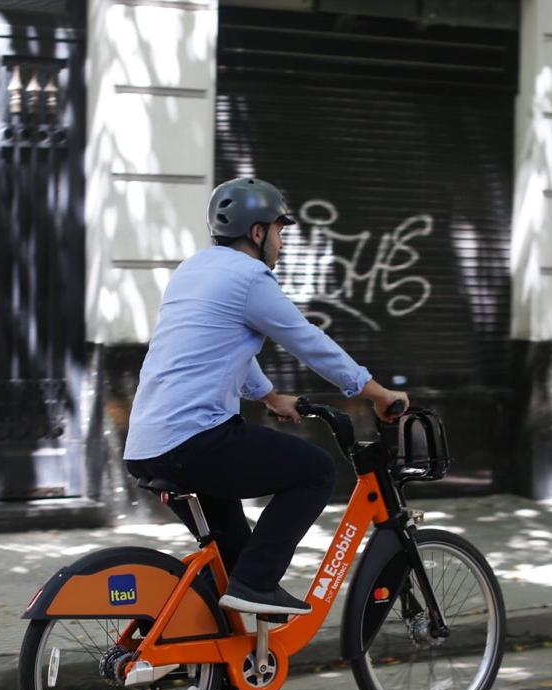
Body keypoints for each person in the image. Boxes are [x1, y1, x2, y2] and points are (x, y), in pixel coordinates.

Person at [124, 177, 409, 620]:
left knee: (232, 564)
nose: (281, 241)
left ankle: (220, 671)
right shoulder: (250, 277)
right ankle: (257, 584)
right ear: (257, 232)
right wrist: (376, 393)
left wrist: (272, 397)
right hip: (193, 439)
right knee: (314, 471)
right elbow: (309, 342)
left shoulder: (193, 269)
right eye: (280, 230)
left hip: (147, 444)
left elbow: (222, 347)